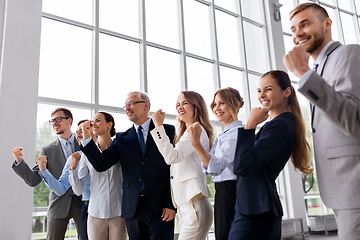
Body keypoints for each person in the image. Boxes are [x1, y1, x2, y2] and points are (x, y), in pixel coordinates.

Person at [283, 3, 360, 239]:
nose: (298, 33)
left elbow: (353, 119)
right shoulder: (319, 68)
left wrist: (303, 74)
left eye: (305, 24)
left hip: (354, 188)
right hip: (340, 190)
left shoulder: (349, 54)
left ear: (327, 24)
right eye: (294, 29)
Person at [227, 70, 313, 240]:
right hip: (253, 207)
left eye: (268, 89)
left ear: (286, 92)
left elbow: (242, 166)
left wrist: (250, 125)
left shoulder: (280, 125)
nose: (262, 95)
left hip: (256, 210)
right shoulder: (275, 124)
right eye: (259, 91)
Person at [80, 91, 176, 240]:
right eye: (125, 105)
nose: (127, 108)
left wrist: (170, 203)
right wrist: (87, 140)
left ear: (145, 106)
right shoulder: (122, 138)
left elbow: (174, 169)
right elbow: (101, 164)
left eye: (131, 103)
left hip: (161, 208)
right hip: (133, 209)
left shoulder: (167, 131)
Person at [151, 91, 214, 240]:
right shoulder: (187, 132)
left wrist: (158, 126)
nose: (180, 106)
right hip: (187, 207)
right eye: (178, 104)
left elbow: (172, 156)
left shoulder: (196, 129)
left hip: (194, 206)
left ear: (196, 106)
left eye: (185, 102)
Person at [11, 108, 82, 240]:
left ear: (69, 121)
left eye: (58, 119)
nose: (54, 123)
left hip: (83, 204)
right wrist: (19, 160)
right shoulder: (47, 150)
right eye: (52, 121)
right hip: (58, 205)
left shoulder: (83, 145)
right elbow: (33, 180)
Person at [187, 87, 244, 240]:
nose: (216, 108)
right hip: (223, 191)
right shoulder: (226, 134)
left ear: (236, 104)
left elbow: (215, 167)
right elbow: (209, 166)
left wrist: (196, 144)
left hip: (231, 190)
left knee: (227, 235)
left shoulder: (236, 133)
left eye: (222, 103)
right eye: (214, 104)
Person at [69, 112, 127, 240]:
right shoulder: (87, 154)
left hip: (119, 214)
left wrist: (129, 215)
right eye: (92, 121)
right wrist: (72, 169)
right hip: (95, 214)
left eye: (98, 120)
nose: (93, 124)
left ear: (109, 125)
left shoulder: (121, 150)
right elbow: (78, 190)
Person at [37, 120, 92, 240]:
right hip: (88, 208)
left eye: (82, 131)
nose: (78, 135)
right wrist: (43, 171)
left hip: (112, 208)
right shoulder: (75, 158)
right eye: (77, 132)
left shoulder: (111, 153)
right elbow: (61, 188)